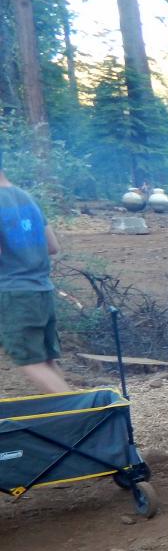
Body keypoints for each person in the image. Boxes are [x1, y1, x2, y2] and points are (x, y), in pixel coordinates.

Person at [0, 153, 70, 395]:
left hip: (14, 295)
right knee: (47, 363)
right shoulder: (26, 198)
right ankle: (79, 409)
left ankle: (84, 415)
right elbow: (53, 246)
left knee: (31, 363)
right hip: (42, 291)